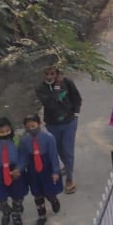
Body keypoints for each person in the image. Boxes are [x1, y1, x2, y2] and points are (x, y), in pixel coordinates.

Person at [35, 65, 81, 194]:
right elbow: (51, 104)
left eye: (52, 73)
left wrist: (76, 114)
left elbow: (76, 98)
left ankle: (69, 180)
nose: (49, 77)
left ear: (57, 73)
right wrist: (56, 87)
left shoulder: (67, 83)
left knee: (68, 150)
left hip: (69, 122)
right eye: (47, 74)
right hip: (52, 124)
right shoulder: (40, 89)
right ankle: (67, 166)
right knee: (59, 149)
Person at [18, 114, 63, 225]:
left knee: (48, 191)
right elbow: (23, 157)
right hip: (33, 169)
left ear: (39, 124)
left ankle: (53, 199)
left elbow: (53, 156)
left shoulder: (48, 138)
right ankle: (41, 215)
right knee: (37, 194)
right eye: (28, 127)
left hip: (46, 167)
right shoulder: (24, 141)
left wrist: (55, 172)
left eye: (33, 126)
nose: (31, 129)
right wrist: (19, 169)